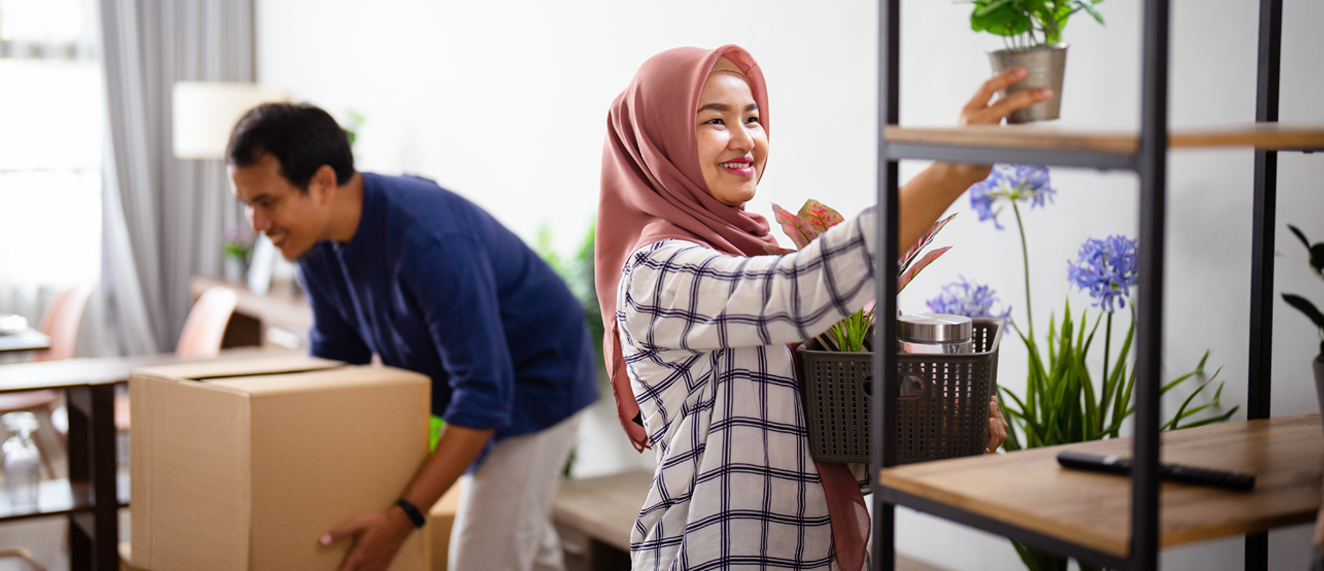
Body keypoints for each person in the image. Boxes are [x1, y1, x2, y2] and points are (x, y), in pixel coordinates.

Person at [595, 45, 1044, 570]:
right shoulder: (660, 271)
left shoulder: (751, 256)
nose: (745, 139)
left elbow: (814, 451)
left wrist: (943, 437)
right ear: (659, 141)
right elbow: (796, 292)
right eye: (713, 120)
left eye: (753, 117)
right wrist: (947, 175)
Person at [226, 102, 599, 571]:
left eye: (267, 202)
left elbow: (485, 394)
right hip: (480, 386)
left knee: (481, 560)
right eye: (248, 205)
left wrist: (402, 518)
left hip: (539, 379)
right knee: (516, 536)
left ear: (322, 183)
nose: (257, 226)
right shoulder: (313, 245)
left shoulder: (427, 240)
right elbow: (339, 361)